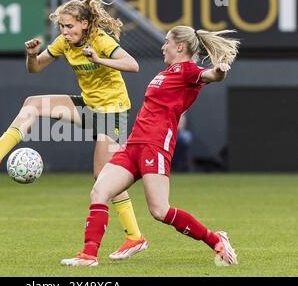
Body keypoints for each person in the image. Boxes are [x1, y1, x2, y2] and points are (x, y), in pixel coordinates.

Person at [0, 0, 148, 260]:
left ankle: (134, 237)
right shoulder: (64, 43)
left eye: (70, 26)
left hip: (112, 111)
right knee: (33, 104)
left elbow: (133, 65)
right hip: (89, 106)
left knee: (103, 178)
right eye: (61, 26)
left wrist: (99, 58)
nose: (64, 31)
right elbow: (36, 69)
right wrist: (31, 56)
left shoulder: (100, 40)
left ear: (85, 24)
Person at [60, 26, 240, 267]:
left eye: (167, 42)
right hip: (133, 145)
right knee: (99, 192)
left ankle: (216, 239)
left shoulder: (189, 70)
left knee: (160, 211)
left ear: (179, 47)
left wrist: (219, 71)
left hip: (155, 146)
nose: (162, 46)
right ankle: (89, 255)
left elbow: (211, 75)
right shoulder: (167, 72)